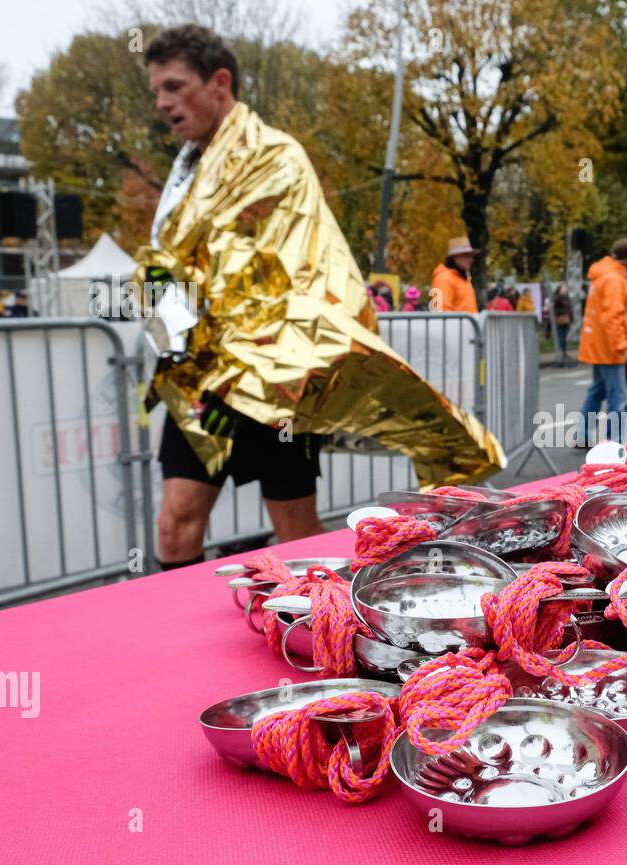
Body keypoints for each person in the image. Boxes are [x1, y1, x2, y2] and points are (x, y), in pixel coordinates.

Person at [140, 24, 502, 571]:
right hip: (200, 371)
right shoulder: (184, 171)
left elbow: (286, 271)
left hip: (275, 370)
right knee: (174, 525)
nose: (163, 103)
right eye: (157, 92)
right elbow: (179, 263)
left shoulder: (275, 157)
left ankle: (324, 620)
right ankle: (184, 645)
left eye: (173, 85)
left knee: (294, 531)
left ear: (219, 82)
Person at [577, 237, 627, 445]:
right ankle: (616, 442)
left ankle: (583, 434)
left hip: (599, 345)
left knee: (597, 391)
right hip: (610, 349)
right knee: (617, 398)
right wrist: (623, 348)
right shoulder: (614, 280)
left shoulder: (603, 275)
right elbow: (613, 317)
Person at [430, 236, 479, 312]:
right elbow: (440, 312)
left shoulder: (464, 279)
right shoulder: (443, 279)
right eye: (467, 256)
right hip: (454, 324)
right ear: (455, 257)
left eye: (471, 256)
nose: (471, 259)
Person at [551, 282, 573, 366]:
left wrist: (571, 317)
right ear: (560, 289)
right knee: (561, 336)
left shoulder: (567, 297)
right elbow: (554, 307)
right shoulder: (558, 298)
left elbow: (569, 308)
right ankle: (562, 352)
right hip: (560, 319)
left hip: (566, 319)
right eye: (564, 288)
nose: (565, 289)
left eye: (566, 288)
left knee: (565, 336)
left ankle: (564, 352)